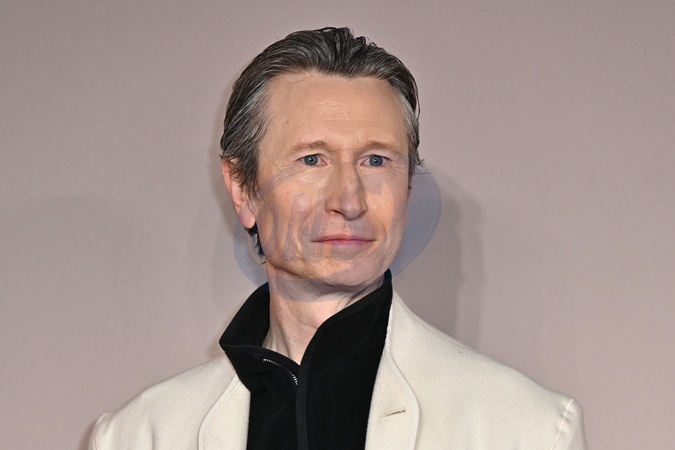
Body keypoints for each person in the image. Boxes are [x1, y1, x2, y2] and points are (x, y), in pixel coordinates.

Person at [89, 27, 586, 449]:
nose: (349, 200)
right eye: (312, 160)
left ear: (408, 187)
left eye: (376, 160)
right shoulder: (136, 436)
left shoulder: (531, 431)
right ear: (243, 189)